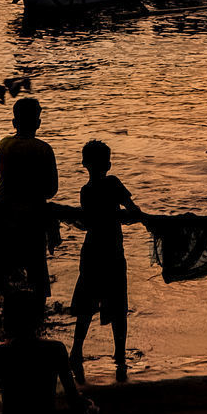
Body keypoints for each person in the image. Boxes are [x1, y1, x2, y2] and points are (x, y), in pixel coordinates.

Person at [0, 97, 59, 323]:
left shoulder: (2, 146)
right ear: (38, 122)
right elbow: (50, 190)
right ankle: (36, 324)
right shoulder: (44, 149)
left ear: (14, 122)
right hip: (30, 220)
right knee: (36, 277)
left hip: (0, 217)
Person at [69, 140, 140, 383]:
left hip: (91, 253)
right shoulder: (113, 183)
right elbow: (133, 210)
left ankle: (76, 351)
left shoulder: (85, 191)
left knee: (86, 305)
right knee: (118, 307)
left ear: (84, 164)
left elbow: (88, 223)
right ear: (108, 164)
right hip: (113, 254)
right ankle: (119, 354)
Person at [0, 294, 97, 414]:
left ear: (9, 321)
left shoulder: (1, 352)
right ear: (37, 321)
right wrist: (88, 412)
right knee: (91, 411)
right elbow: (72, 398)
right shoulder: (56, 349)